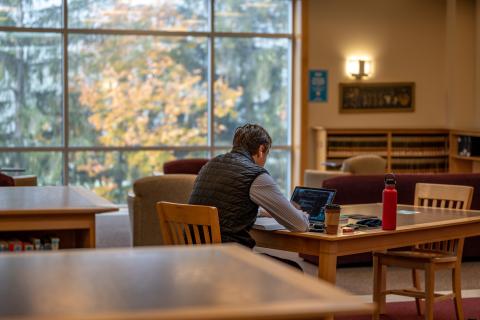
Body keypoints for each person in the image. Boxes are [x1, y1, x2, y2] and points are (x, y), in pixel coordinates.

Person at [189, 123, 309, 266]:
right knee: (294, 269)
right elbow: (299, 225)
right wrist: (303, 215)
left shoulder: (209, 166)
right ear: (261, 149)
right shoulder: (255, 174)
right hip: (228, 261)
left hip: (193, 257)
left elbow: (226, 207)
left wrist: (261, 212)